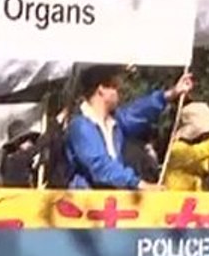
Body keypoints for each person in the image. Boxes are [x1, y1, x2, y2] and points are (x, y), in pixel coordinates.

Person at [65, 65, 193, 189]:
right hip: (86, 203)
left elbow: (139, 112)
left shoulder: (114, 121)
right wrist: (138, 184)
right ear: (102, 89)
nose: (118, 91)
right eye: (115, 86)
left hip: (111, 199)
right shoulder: (80, 126)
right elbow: (100, 166)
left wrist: (172, 93)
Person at [0, 112, 69, 188]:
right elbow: (39, 145)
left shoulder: (16, 161)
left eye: (29, 139)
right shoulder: (14, 160)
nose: (29, 143)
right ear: (16, 144)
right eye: (24, 140)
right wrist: (56, 122)